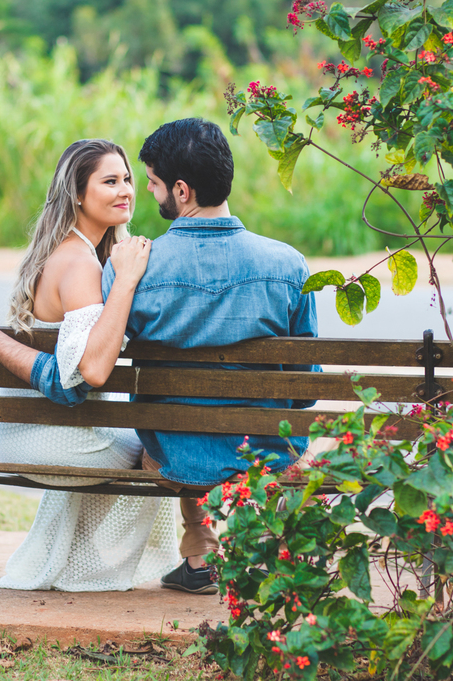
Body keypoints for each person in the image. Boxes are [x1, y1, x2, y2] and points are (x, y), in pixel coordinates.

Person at [0, 138, 178, 592]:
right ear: (77, 193)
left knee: (140, 430)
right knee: (163, 444)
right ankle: (99, 569)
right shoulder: (80, 265)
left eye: (128, 179)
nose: (125, 189)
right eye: (109, 181)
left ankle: (73, 561)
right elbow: (73, 382)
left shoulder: (68, 251)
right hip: (51, 437)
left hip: (29, 428)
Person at [101, 117, 318, 594]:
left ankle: (200, 558)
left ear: (182, 190)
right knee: (266, 440)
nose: (150, 194)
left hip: (174, 458)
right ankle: (270, 553)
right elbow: (304, 393)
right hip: (267, 453)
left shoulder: (133, 268)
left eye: (153, 183)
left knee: (179, 434)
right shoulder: (289, 265)